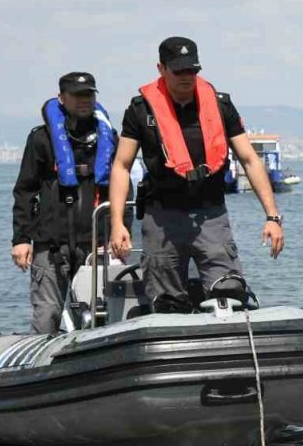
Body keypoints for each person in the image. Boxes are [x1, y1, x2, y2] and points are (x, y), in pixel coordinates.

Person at [107, 36, 284, 311]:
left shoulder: (220, 105)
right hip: (162, 218)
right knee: (166, 304)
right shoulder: (140, 110)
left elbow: (249, 159)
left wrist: (272, 217)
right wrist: (118, 223)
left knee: (230, 293)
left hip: (211, 215)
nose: (187, 77)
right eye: (179, 71)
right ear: (161, 69)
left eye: (192, 70)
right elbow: (121, 165)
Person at [11, 72, 118, 333]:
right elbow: (25, 191)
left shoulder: (109, 137)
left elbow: (120, 189)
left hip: (95, 242)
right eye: (77, 95)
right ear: (61, 98)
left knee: (100, 315)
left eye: (88, 95)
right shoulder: (41, 139)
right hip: (51, 243)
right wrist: (21, 239)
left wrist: (119, 230)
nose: (84, 100)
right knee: (47, 314)